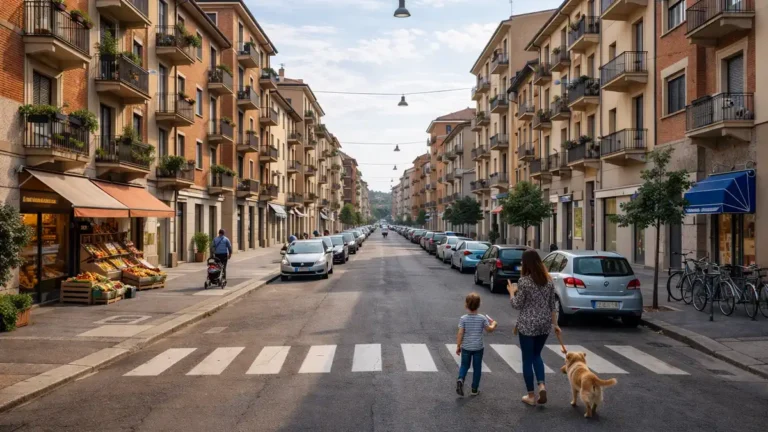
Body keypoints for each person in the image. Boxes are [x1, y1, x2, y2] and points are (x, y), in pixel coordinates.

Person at [508, 249, 561, 406]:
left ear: (526, 263)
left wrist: (512, 292)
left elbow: (516, 305)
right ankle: (542, 385)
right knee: (537, 355)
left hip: (528, 324)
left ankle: (531, 396)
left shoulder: (524, 281)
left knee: (527, 358)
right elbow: (553, 306)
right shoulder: (549, 281)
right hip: (544, 324)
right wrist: (556, 325)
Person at [455, 292, 497, 397]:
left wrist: (458, 345)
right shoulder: (482, 318)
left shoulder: (463, 318)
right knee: (477, 367)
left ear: (466, 305)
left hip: (466, 347)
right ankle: (474, 389)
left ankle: (460, 379)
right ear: (479, 305)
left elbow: (460, 332)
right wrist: (494, 324)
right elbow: (489, 330)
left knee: (464, 365)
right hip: (478, 347)